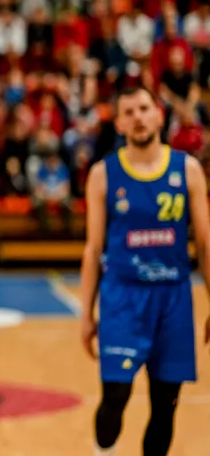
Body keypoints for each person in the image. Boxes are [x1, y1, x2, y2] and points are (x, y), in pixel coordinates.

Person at [79, 85, 210, 456]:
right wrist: (86, 315)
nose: (137, 117)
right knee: (116, 395)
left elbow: (205, 244)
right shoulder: (103, 175)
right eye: (129, 112)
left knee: (165, 402)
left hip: (174, 299)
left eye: (143, 108)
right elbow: (92, 250)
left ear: (159, 114)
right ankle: (103, 451)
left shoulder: (189, 170)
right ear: (119, 123)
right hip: (123, 298)